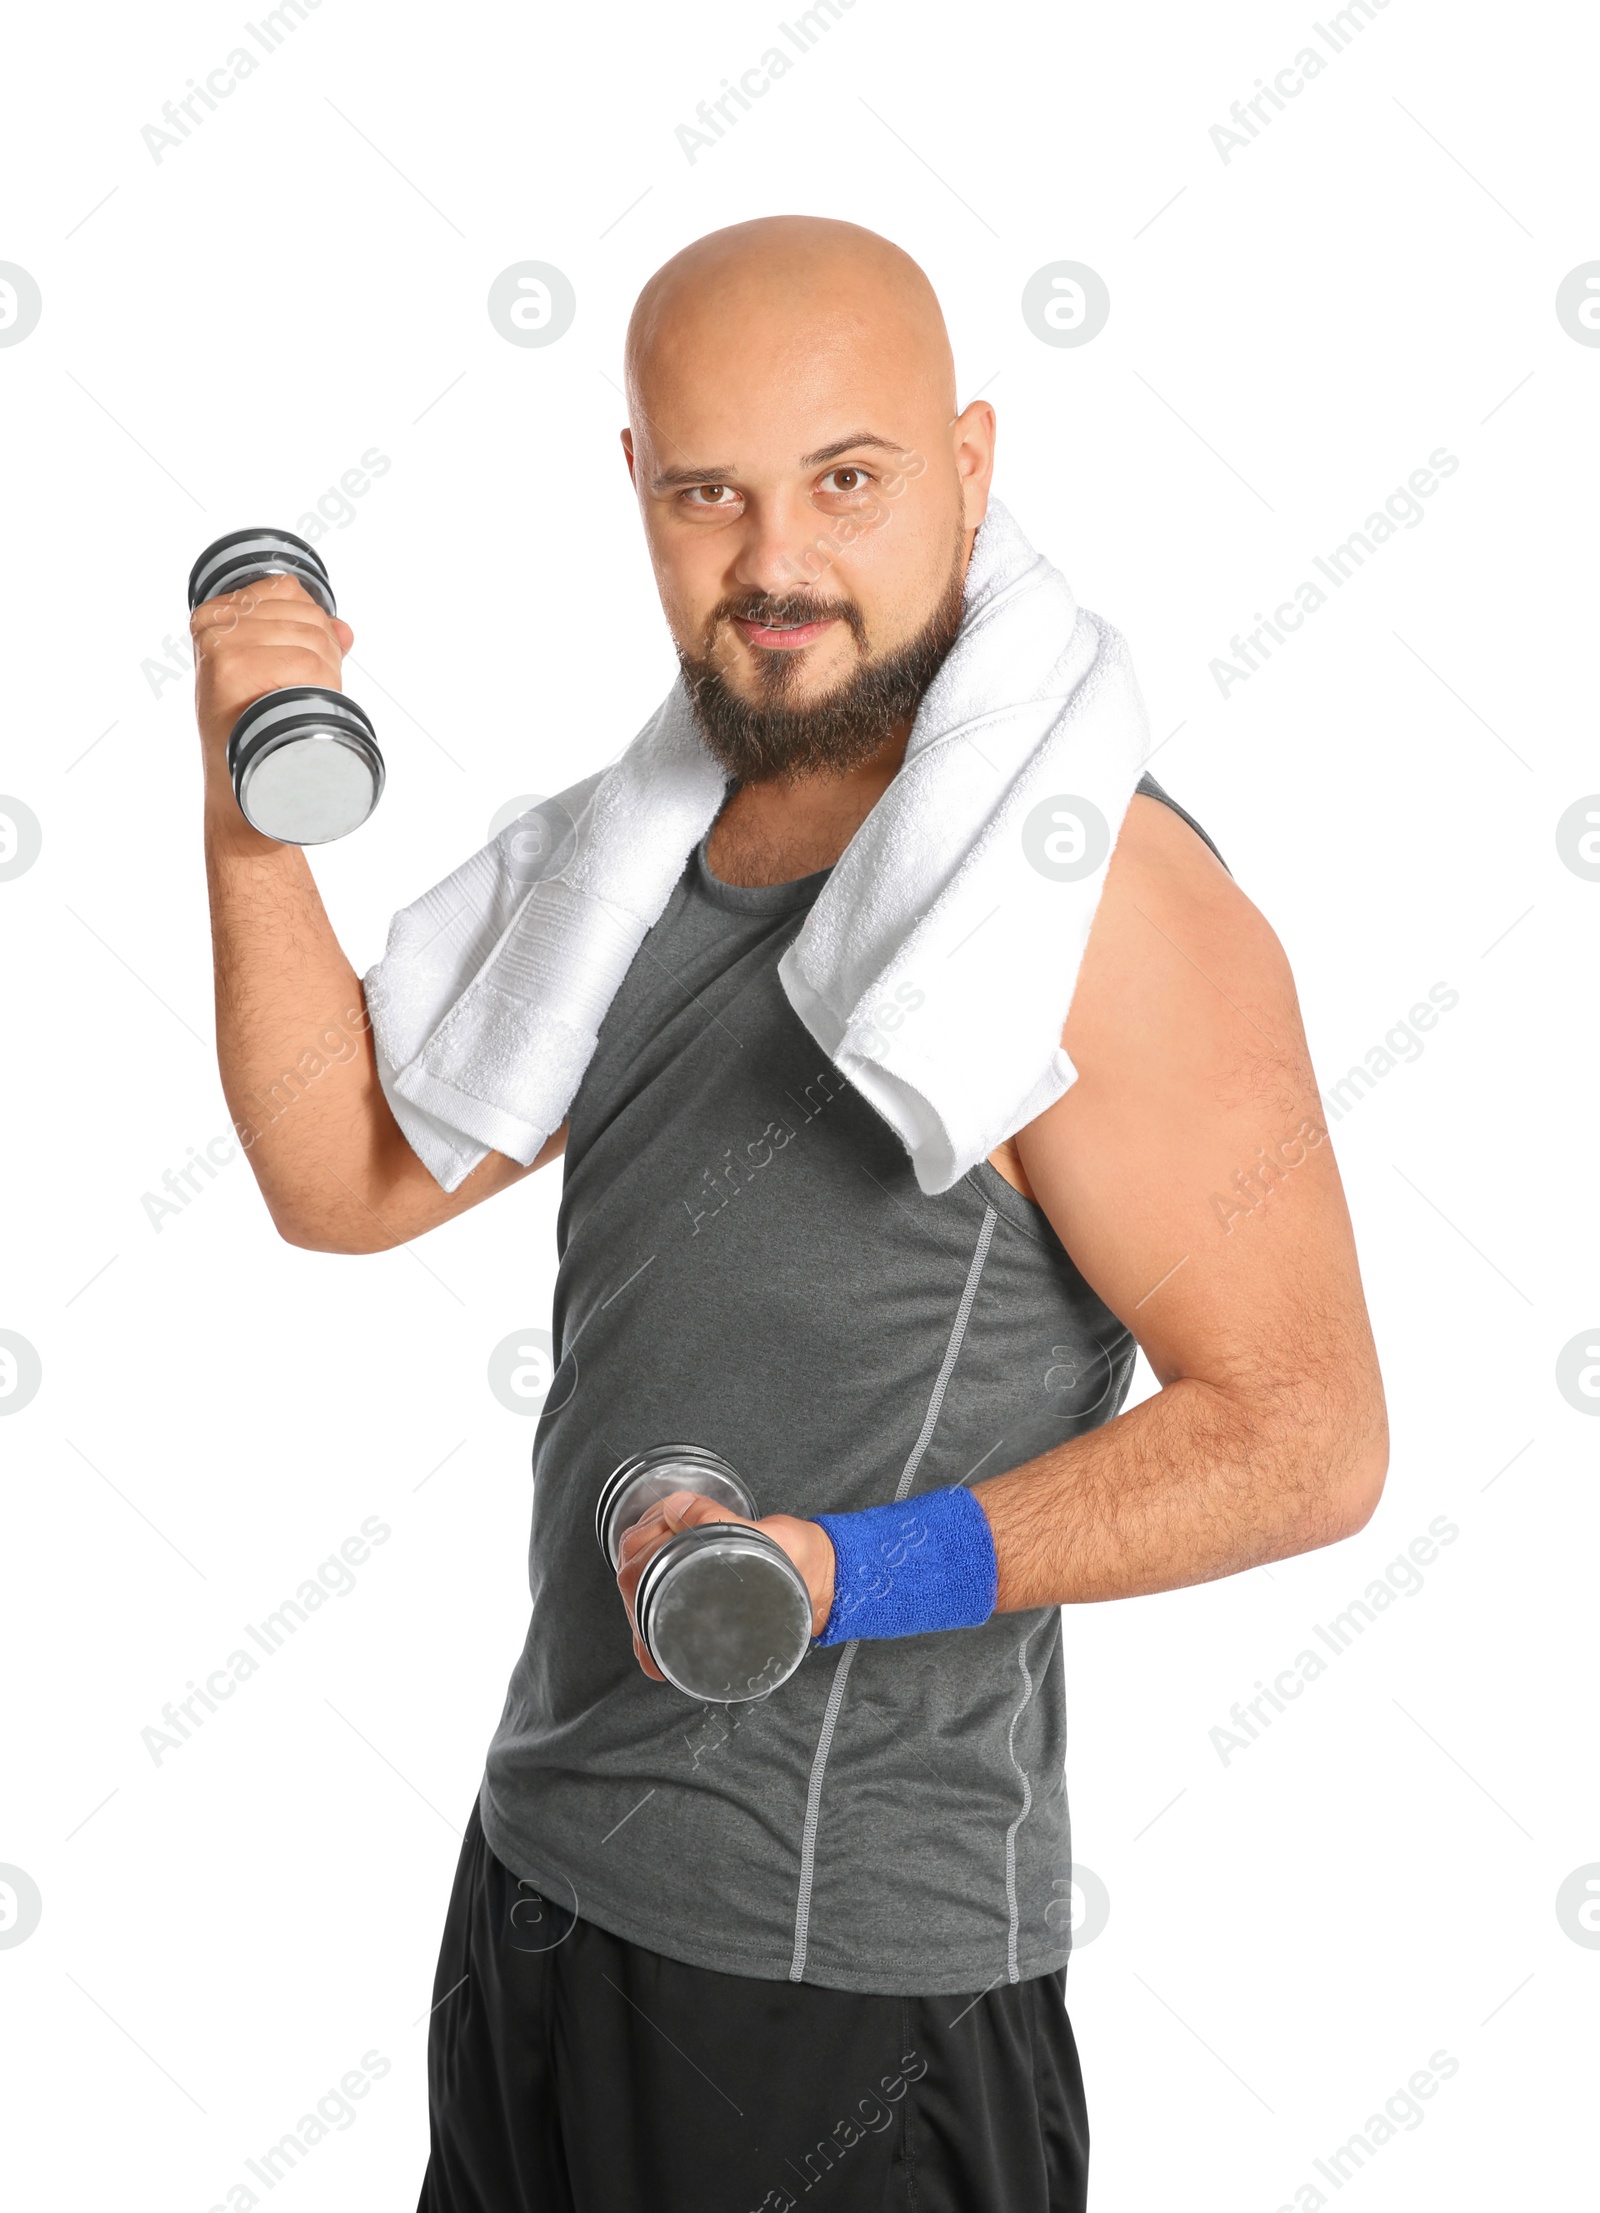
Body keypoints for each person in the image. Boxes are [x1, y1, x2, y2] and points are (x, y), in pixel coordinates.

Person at [190, 215, 1388, 2212]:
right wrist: (247, 796)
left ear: (970, 466)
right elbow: (344, 1173)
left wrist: (842, 1575)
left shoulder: (1093, 910)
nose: (773, 565)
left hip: (834, 1988)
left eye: (845, 480)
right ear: (639, 494)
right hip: (542, 1886)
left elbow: (1305, 1435)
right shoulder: (630, 853)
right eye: (707, 494)